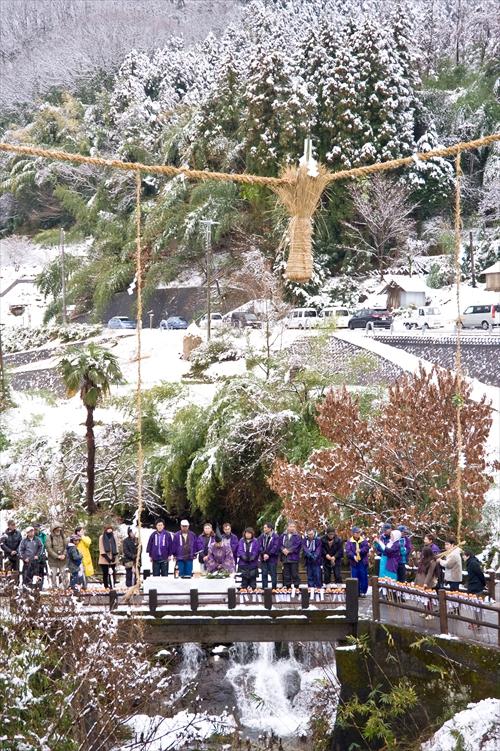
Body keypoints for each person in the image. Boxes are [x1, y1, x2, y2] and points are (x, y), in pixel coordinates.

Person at [345, 527, 370, 596]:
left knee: (363, 576)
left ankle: (363, 591)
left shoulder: (363, 540)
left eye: (359, 532)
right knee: (355, 577)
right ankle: (356, 591)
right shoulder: (349, 541)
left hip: (362, 561)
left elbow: (366, 548)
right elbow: (348, 551)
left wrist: (360, 550)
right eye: (357, 533)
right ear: (353, 534)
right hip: (354, 562)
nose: (358, 534)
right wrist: (353, 556)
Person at [415, 546, 438, 619]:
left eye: (423, 553)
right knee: (423, 597)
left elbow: (430, 573)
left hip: (427, 581)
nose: (422, 554)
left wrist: (426, 583)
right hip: (420, 580)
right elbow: (418, 568)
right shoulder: (423, 559)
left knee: (428, 598)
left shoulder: (432, 561)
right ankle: (425, 611)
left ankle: (431, 614)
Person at [46, 522, 68, 589]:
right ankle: (54, 588)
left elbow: (66, 547)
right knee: (54, 575)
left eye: (59, 529)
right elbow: (49, 549)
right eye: (57, 529)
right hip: (53, 560)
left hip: (63, 560)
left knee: (64, 573)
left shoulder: (63, 536)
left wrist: (64, 554)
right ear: (53, 530)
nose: (58, 531)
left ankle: (65, 587)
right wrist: (57, 556)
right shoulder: (49, 537)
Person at [258, 522, 280, 589]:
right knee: (264, 574)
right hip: (264, 558)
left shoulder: (275, 536)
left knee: (273, 574)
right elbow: (259, 545)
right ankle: (265, 589)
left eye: (265, 527)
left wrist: (268, 554)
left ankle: (274, 589)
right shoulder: (262, 536)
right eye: (264, 527)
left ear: (270, 528)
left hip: (272, 558)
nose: (264, 529)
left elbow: (275, 547)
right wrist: (263, 553)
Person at [280, 522, 302, 588]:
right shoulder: (283, 535)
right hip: (285, 558)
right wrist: (283, 549)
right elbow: (279, 544)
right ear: (287, 527)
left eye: (293, 527)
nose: (292, 528)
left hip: (294, 558)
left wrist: (289, 551)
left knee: (294, 573)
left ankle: (296, 587)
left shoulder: (297, 536)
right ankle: (287, 587)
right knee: (286, 574)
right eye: (290, 526)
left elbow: (297, 546)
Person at [98, 524, 119, 589]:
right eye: (108, 530)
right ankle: (106, 586)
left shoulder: (114, 536)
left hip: (113, 557)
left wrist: (114, 557)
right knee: (105, 573)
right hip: (104, 558)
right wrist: (107, 557)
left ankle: (113, 585)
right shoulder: (102, 537)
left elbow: (116, 547)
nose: (110, 532)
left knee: (113, 572)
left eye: (111, 530)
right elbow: (101, 548)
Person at [33, 523, 48, 590]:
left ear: (39, 528)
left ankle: (40, 586)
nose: (35, 530)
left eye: (36, 528)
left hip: (42, 556)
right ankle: (35, 587)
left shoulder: (44, 536)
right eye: (34, 529)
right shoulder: (31, 536)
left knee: (41, 572)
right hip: (34, 556)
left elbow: (46, 545)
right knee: (35, 572)